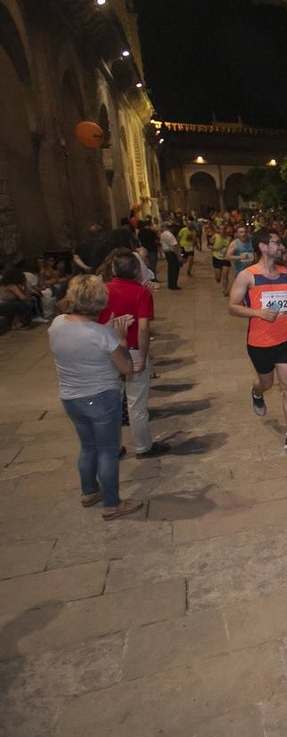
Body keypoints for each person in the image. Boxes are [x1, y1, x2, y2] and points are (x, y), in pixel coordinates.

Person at [49, 275, 143, 520]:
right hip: (100, 398)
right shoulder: (102, 335)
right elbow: (126, 368)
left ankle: (89, 492)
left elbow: (75, 323)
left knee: (88, 447)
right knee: (107, 451)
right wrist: (120, 338)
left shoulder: (57, 323)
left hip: (70, 398)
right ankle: (112, 504)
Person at [228, 229, 287, 452]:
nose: (280, 246)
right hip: (260, 340)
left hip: (286, 338)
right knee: (267, 382)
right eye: (276, 242)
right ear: (263, 247)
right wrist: (258, 313)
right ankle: (257, 392)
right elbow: (232, 307)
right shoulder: (248, 275)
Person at [97, 250, 169, 459]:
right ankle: (142, 446)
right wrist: (143, 356)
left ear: (113, 269)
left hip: (109, 351)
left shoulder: (103, 290)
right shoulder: (140, 293)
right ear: (137, 270)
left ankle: (113, 447)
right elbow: (144, 327)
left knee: (112, 401)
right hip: (133, 349)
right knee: (136, 402)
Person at [225, 225, 255, 297]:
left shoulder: (252, 242)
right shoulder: (235, 244)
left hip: (251, 271)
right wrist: (239, 257)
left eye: (245, 232)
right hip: (239, 272)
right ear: (237, 234)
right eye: (241, 232)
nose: (243, 234)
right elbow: (227, 256)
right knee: (241, 293)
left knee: (251, 291)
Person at [160, 222, 181, 290]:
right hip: (172, 253)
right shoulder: (170, 235)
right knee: (175, 269)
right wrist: (178, 256)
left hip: (167, 253)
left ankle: (170, 284)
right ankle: (174, 285)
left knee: (170, 269)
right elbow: (174, 246)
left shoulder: (162, 234)